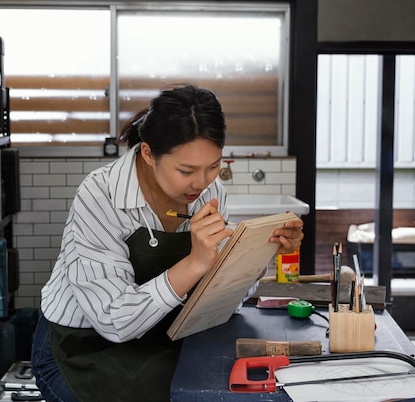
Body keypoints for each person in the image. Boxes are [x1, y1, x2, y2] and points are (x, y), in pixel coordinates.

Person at [30, 85, 304, 402]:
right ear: (149, 154)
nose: (201, 183)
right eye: (186, 170)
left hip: (164, 335)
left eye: (213, 166)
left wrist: (259, 250)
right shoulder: (100, 196)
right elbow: (113, 321)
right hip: (82, 347)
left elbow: (218, 297)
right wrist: (195, 263)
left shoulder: (211, 194)